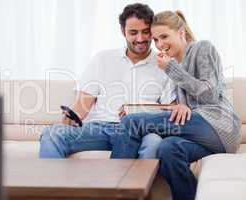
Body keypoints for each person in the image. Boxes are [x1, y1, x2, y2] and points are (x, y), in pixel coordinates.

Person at [120, 10, 241, 200]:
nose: (160, 44)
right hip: (204, 135)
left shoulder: (202, 48)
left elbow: (208, 94)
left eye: (164, 37)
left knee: (130, 122)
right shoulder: (176, 63)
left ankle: (118, 191)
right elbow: (185, 107)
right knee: (168, 149)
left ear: (181, 32)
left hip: (218, 124)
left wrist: (171, 68)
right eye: (156, 40)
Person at [39, 3, 175, 159]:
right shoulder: (103, 59)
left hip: (142, 129)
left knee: (154, 142)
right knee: (52, 133)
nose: (140, 38)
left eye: (145, 32)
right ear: (123, 31)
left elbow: (169, 111)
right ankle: (52, 184)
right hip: (102, 127)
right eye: (133, 32)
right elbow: (83, 105)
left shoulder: (164, 65)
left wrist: (142, 110)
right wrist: (71, 117)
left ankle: (133, 184)